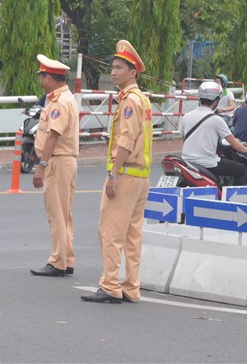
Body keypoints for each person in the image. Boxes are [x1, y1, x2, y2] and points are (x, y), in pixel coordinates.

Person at [81, 40, 153, 305]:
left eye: (119, 67)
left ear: (132, 72)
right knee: (132, 236)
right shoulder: (142, 99)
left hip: (125, 174)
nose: (113, 72)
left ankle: (110, 285)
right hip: (140, 177)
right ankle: (130, 287)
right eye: (112, 67)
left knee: (110, 233)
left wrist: (113, 173)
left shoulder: (130, 101)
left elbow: (126, 139)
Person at [30, 54, 80, 278]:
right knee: (64, 213)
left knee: (56, 214)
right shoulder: (63, 98)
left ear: (49, 78)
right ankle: (66, 258)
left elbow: (53, 135)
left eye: (42, 76)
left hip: (58, 161)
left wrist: (42, 165)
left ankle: (58, 261)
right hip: (64, 161)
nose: (41, 81)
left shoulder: (59, 102)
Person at [180, 80, 247, 186]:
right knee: (241, 169)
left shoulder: (186, 116)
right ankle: (233, 200)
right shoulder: (216, 120)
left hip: (186, 161)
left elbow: (184, 141)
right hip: (207, 163)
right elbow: (235, 145)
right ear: (216, 101)